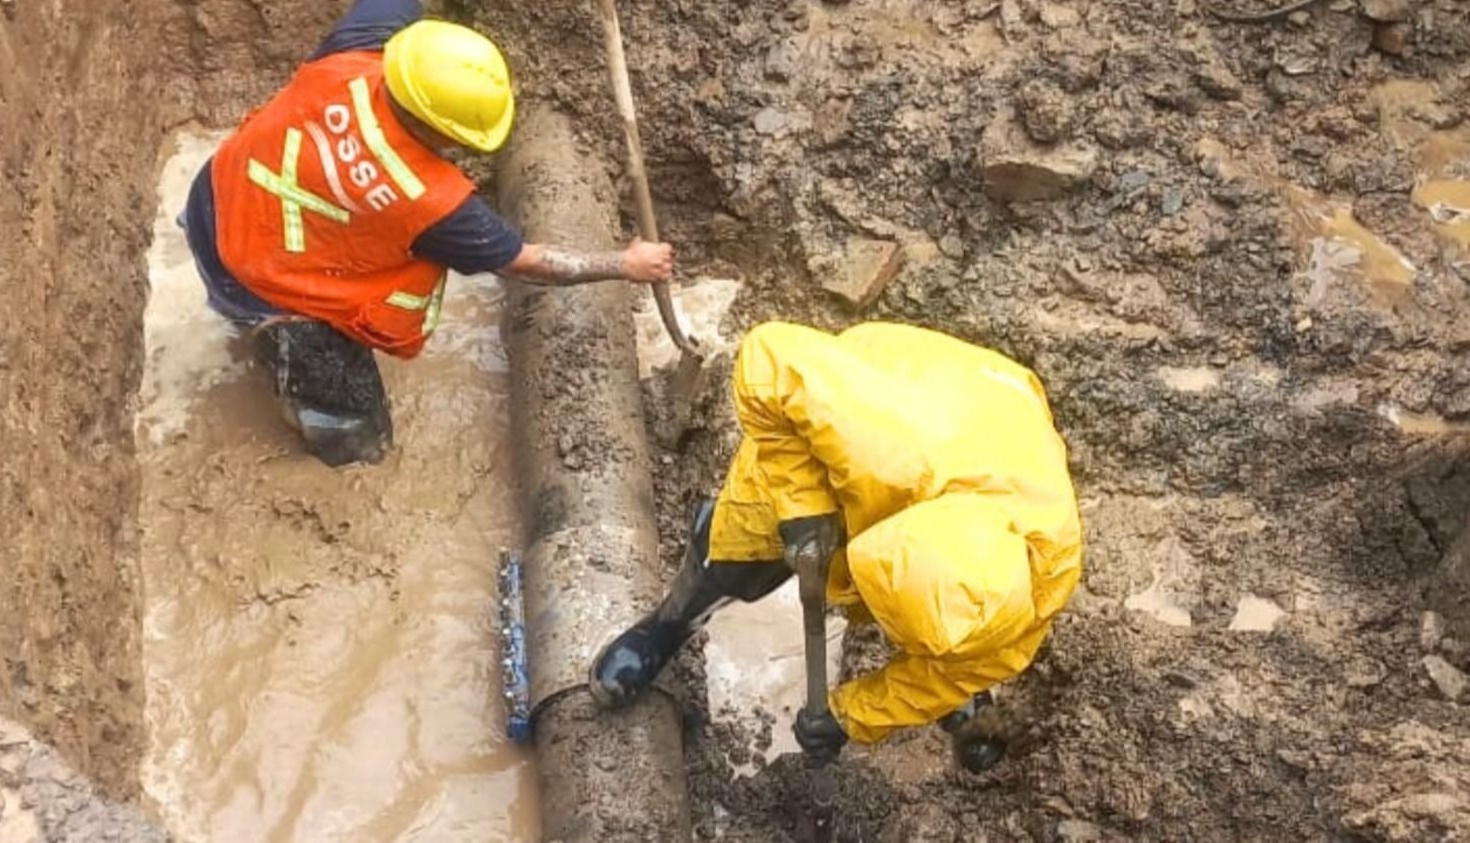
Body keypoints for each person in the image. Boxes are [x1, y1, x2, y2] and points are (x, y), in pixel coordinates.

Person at [180, 0, 674, 466]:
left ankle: (242, 326)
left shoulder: (357, 49)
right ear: (439, 130)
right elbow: (527, 262)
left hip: (218, 195)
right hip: (257, 277)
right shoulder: (431, 202)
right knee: (359, 438)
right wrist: (626, 265)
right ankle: (296, 389)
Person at [589, 321, 1083, 770]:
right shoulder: (874, 444)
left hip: (991, 414)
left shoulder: (1045, 574)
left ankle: (945, 660)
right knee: (740, 548)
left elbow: (978, 648)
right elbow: (767, 357)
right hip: (863, 412)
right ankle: (667, 626)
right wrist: (803, 508)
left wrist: (850, 716)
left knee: (943, 614)